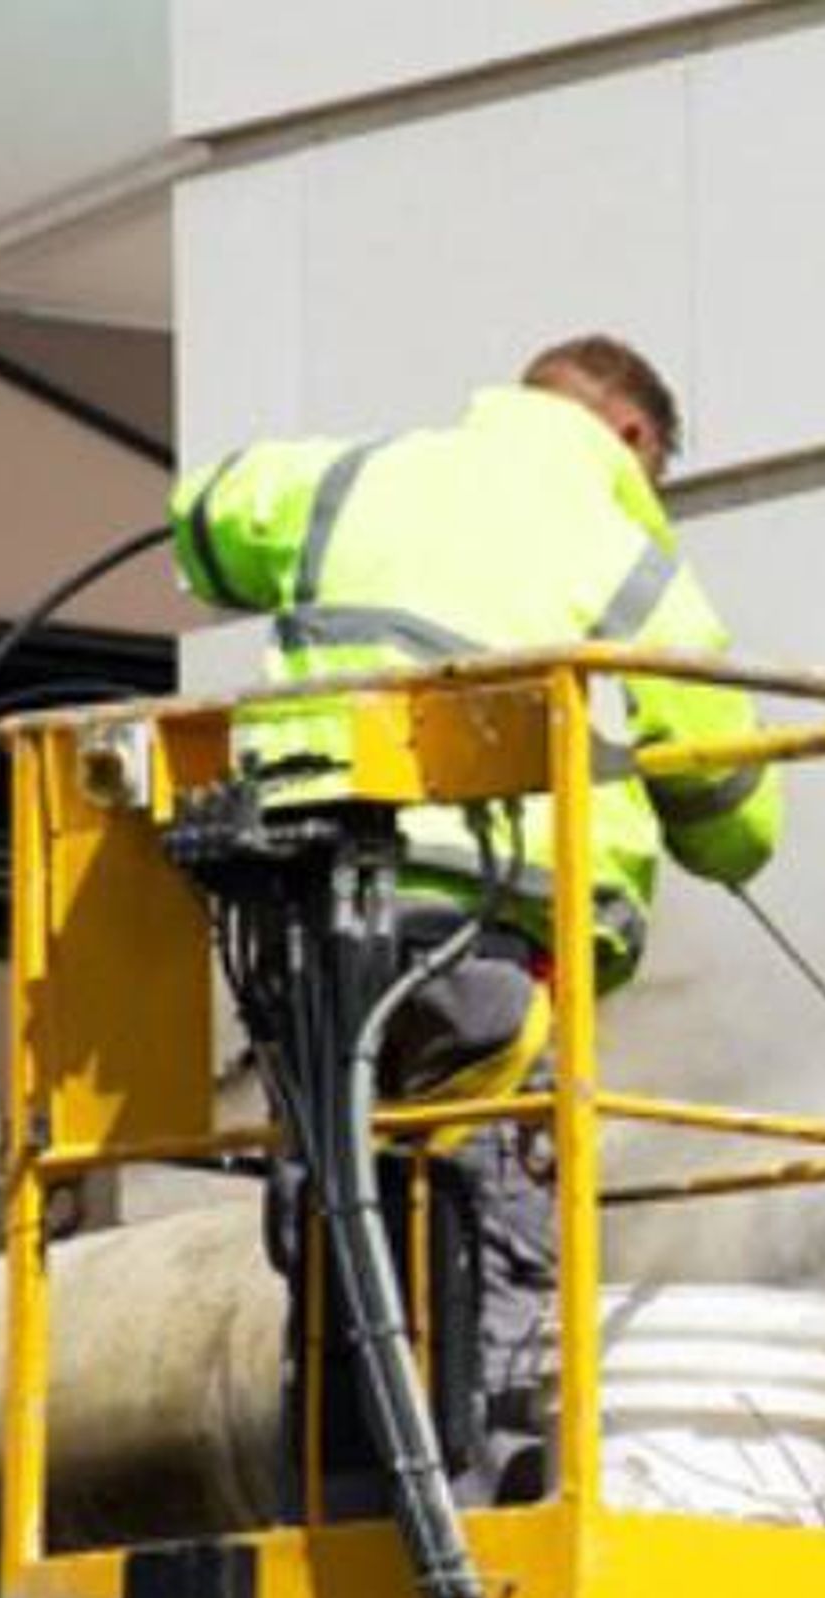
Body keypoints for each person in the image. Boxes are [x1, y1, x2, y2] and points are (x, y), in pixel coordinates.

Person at [165, 334, 784, 1500]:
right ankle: (473, 1507)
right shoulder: (623, 557)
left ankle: (343, 1495)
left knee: (339, 1207)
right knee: (484, 1210)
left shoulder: (348, 482)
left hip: (305, 924)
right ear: (633, 440)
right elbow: (735, 810)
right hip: (483, 945)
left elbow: (202, 518)